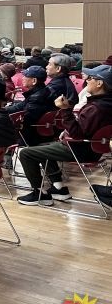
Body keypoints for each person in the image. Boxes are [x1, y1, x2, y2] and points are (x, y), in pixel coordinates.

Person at [18, 65, 112, 206]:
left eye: (90, 78)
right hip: (93, 149)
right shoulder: (106, 103)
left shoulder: (96, 108)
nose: (86, 81)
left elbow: (77, 134)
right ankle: (58, 188)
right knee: (42, 147)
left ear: (99, 83)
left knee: (26, 153)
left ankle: (39, 194)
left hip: (79, 149)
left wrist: (65, 110)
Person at [5, 66, 53, 147]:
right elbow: (20, 106)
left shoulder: (37, 98)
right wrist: (1, 109)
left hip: (30, 137)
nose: (22, 78)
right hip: (37, 133)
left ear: (34, 81)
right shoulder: (42, 92)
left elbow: (26, 119)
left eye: (25, 76)